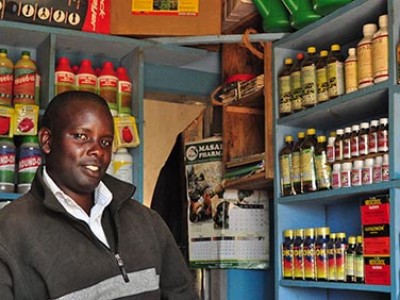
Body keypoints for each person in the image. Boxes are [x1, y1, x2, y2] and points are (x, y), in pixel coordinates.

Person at [0, 91, 198, 299]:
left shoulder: (147, 222)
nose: (97, 151)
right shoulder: (10, 233)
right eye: (81, 137)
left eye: (105, 142)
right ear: (47, 141)